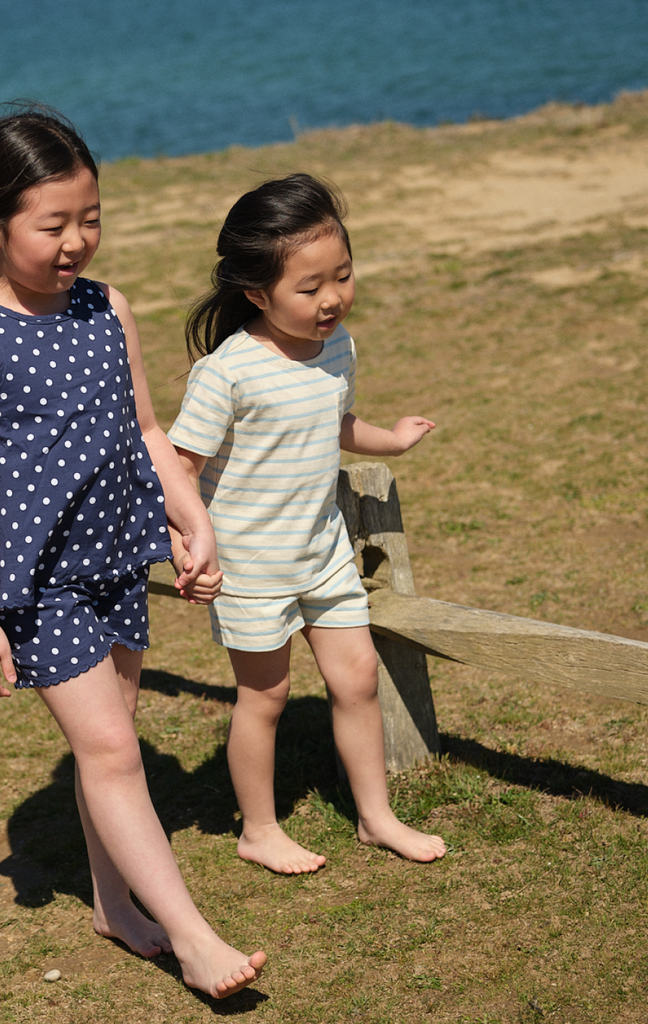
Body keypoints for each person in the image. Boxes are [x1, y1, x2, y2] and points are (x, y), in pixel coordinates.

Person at [0, 104, 265, 998]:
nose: (77, 241)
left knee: (107, 744)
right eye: (52, 225)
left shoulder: (109, 308)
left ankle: (114, 903)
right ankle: (191, 936)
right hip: (32, 586)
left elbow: (148, 430)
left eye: (90, 218)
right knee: (113, 748)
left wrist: (193, 517)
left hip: (115, 555)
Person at [168, 173, 447, 875]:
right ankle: (258, 829)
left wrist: (391, 438)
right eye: (310, 286)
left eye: (343, 276)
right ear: (256, 294)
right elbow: (178, 464)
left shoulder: (337, 347)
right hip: (249, 568)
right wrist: (187, 544)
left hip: (323, 552)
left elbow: (334, 420)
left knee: (356, 680)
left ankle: (376, 817)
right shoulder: (227, 373)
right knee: (266, 697)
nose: (331, 298)